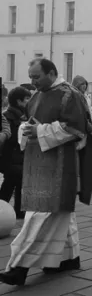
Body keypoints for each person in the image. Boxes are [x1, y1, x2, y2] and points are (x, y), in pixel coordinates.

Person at [0, 58, 92, 286]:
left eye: (37, 77)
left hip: (59, 168)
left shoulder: (69, 95)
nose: (33, 82)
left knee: (40, 217)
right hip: (36, 165)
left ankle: (18, 268)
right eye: (31, 77)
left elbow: (76, 129)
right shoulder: (36, 94)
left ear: (52, 73)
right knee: (62, 215)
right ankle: (68, 259)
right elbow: (28, 121)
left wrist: (40, 131)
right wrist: (26, 129)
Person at [0, 87, 31, 219]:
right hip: (10, 157)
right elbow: (10, 139)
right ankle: (3, 208)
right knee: (10, 183)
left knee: (18, 182)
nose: (29, 102)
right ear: (19, 101)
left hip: (19, 157)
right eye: (26, 99)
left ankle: (18, 210)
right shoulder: (8, 116)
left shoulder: (23, 116)